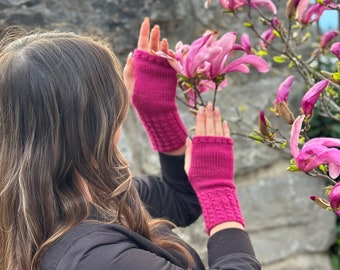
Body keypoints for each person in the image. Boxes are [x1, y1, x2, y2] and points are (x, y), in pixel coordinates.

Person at [0, 16, 260, 270]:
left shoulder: (87, 194)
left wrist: (159, 116)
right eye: (113, 93)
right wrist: (218, 191)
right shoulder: (93, 258)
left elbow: (180, 199)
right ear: (90, 119)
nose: (122, 96)